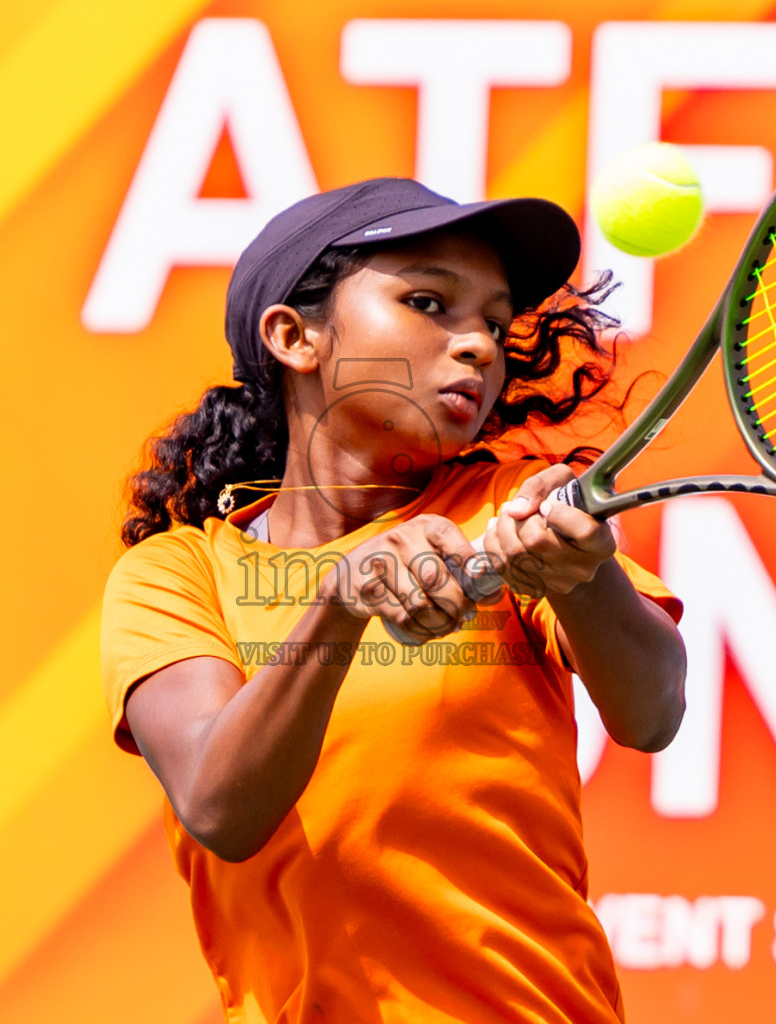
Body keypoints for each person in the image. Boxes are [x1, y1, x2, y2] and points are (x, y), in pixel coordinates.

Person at [101, 177, 687, 1023]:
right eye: (427, 302)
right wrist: (340, 603)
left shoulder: (507, 506)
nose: (479, 346)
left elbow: (653, 712)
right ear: (295, 337)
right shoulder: (176, 576)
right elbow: (222, 808)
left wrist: (585, 578)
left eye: (493, 322)